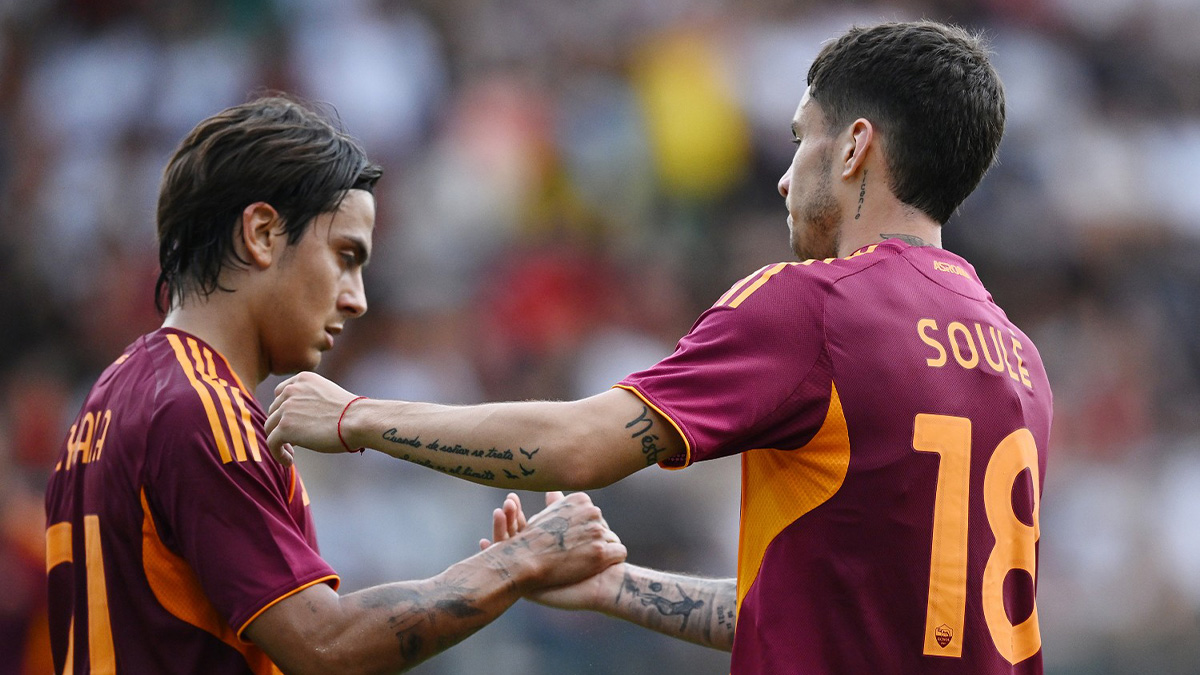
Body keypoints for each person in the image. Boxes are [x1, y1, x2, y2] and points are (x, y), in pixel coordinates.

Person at [267, 20, 1052, 674]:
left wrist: (356, 416)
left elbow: (578, 447)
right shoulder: (1019, 358)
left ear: (854, 148)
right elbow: (838, 612)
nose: (785, 179)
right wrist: (619, 588)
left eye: (800, 140)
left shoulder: (817, 306)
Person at [43, 96, 626, 675]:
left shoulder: (107, 400)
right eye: (345, 256)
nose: (357, 299)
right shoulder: (201, 410)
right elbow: (324, 646)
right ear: (263, 233)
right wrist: (518, 562)